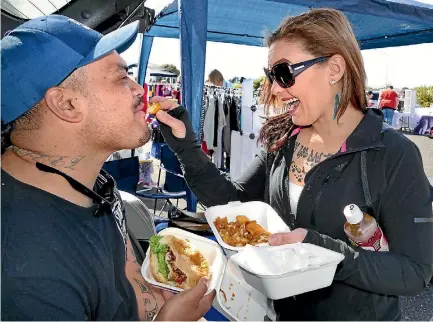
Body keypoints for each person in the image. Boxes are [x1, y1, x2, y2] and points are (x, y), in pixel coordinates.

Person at [151, 9, 433, 321]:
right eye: (271, 75)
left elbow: (414, 271)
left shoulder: (392, 154)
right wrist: (186, 147)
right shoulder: (283, 139)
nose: (273, 88)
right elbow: (233, 206)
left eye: (285, 73)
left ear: (334, 68)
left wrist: (322, 252)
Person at [1, 15, 215, 321]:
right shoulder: (26, 270)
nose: (140, 90)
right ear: (66, 105)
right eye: (120, 77)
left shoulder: (91, 181)